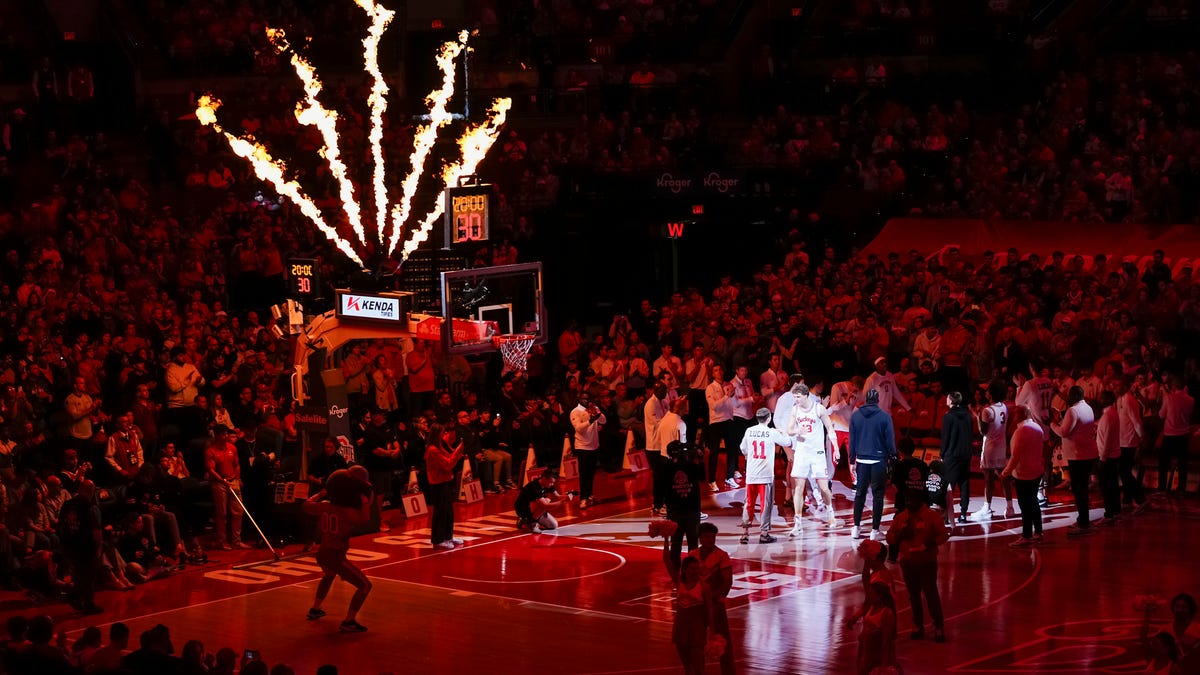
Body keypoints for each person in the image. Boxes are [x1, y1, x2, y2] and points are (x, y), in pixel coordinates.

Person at [302, 468, 373, 633]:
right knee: (365, 586)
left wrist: (321, 494)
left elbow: (306, 505)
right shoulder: (347, 512)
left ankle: (315, 609)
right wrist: (363, 498)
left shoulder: (325, 506)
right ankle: (349, 621)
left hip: (322, 553)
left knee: (329, 575)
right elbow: (365, 518)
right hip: (335, 555)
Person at [886, 486, 949, 642]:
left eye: (911, 500)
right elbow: (889, 538)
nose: (908, 503)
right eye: (906, 500)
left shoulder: (931, 516)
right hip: (907, 562)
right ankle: (917, 625)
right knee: (913, 595)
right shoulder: (901, 517)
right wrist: (900, 535)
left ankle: (938, 627)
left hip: (926, 562)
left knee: (931, 594)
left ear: (919, 500)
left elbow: (943, 535)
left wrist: (929, 543)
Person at [786, 383, 840, 536]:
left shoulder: (818, 408)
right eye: (794, 397)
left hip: (817, 453)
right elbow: (790, 430)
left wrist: (835, 447)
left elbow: (830, 428)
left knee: (823, 487)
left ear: (806, 395)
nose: (795, 399)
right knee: (798, 487)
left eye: (798, 397)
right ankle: (798, 523)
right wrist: (797, 430)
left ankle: (830, 512)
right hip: (802, 452)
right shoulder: (795, 410)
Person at [1051, 386, 1099, 536]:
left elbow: (1064, 432)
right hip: (1088, 453)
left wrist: (1052, 424)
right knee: (1082, 489)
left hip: (1077, 455)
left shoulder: (1073, 410)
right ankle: (1082, 519)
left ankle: (1084, 523)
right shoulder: (1088, 408)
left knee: (1079, 490)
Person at [688, 522, 735, 675]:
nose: (711, 540)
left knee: (722, 640)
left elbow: (727, 581)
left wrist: (720, 598)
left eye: (713, 537)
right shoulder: (692, 555)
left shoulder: (722, 556)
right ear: (700, 538)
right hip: (697, 605)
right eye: (707, 537)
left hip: (715, 605)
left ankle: (728, 672)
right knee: (696, 642)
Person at [850, 390, 897, 541]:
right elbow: (890, 439)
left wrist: (851, 460)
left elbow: (852, 440)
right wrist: (893, 455)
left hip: (861, 461)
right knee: (878, 496)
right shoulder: (885, 417)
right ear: (877, 400)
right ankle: (874, 531)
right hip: (878, 460)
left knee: (860, 494)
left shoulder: (855, 415)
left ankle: (856, 528)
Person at [738, 407, 790, 544]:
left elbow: (743, 448)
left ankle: (745, 533)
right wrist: (782, 432)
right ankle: (764, 533)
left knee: (749, 502)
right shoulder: (771, 432)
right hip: (766, 476)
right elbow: (788, 442)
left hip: (751, 474)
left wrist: (749, 457)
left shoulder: (749, 431)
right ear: (769, 418)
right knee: (765, 504)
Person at [661, 545, 712, 675]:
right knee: (687, 666)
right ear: (684, 570)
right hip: (681, 625)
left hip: (697, 626)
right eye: (691, 569)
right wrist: (667, 539)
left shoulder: (704, 586)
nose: (694, 572)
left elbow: (709, 610)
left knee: (698, 664)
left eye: (697, 569)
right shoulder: (679, 582)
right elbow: (667, 560)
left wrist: (713, 632)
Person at [1001, 406, 1047, 547]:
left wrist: (1005, 472)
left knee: (1025, 505)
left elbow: (1015, 457)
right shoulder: (1038, 428)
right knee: (1033, 502)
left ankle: (1026, 535)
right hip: (1037, 471)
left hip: (1023, 474)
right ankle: (1038, 532)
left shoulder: (1020, 432)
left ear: (1017, 416)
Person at [58, 480, 103, 615]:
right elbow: (96, 530)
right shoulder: (90, 507)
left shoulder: (67, 505)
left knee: (78, 573)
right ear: (91, 491)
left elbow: (61, 525)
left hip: (71, 545)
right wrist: (98, 548)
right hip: (86, 546)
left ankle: (76, 598)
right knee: (88, 576)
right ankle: (88, 604)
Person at [972, 381, 1013, 521]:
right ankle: (1010, 507)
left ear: (992, 393)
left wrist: (978, 417)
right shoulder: (1004, 407)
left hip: (990, 447)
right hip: (1001, 445)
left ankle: (987, 508)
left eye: (988, 390)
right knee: (1004, 477)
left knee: (988, 480)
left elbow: (983, 431)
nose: (986, 392)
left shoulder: (987, 410)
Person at [844, 573, 898, 675]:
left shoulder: (886, 613)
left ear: (879, 595)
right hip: (865, 649)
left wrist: (884, 665)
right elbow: (863, 609)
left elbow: (886, 641)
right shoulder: (871, 607)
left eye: (872, 593)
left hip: (876, 652)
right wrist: (853, 619)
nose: (869, 596)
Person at [205, 426, 248, 550]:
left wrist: (237, 479)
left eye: (227, 434)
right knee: (222, 513)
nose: (226, 437)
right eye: (223, 434)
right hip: (219, 483)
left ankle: (236, 540)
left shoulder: (232, 448)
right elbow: (211, 470)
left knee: (238, 511)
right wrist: (223, 481)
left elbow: (237, 465)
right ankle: (222, 541)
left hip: (233, 480)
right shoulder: (211, 451)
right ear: (217, 435)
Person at [663, 441, 704, 569]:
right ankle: (693, 570)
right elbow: (702, 477)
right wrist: (700, 459)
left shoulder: (665, 467)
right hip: (692, 510)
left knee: (676, 543)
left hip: (675, 511)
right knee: (692, 543)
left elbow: (661, 488)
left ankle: (676, 571)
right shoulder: (691, 466)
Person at [424, 424, 464, 549]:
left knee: (448, 511)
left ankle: (448, 536)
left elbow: (449, 457)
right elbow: (447, 464)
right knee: (440, 512)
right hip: (438, 484)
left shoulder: (439, 446)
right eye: (443, 433)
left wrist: (455, 452)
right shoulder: (432, 450)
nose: (444, 435)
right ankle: (438, 539)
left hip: (445, 481)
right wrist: (457, 453)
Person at [1158, 376, 1194, 495]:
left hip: (1170, 435)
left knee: (1163, 463)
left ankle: (1162, 488)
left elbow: (1161, 415)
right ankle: (1181, 489)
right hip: (1183, 435)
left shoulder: (1169, 398)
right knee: (1182, 464)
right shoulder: (1190, 399)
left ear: (1173, 386)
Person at [570, 393, 606, 508]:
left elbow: (604, 421)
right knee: (584, 474)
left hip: (594, 445)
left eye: (587, 398)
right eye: (584, 398)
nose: (586, 400)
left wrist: (597, 413)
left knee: (591, 473)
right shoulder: (575, 412)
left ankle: (590, 495)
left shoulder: (593, 408)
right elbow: (579, 428)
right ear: (579, 399)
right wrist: (591, 420)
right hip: (582, 446)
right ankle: (583, 498)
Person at [514, 468, 574, 533]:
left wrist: (568, 497)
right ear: (544, 479)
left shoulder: (549, 484)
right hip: (523, 508)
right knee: (546, 500)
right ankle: (531, 524)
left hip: (534, 508)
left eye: (553, 482)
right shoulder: (535, 487)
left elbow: (558, 496)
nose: (552, 484)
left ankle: (523, 521)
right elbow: (545, 506)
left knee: (553, 525)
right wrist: (562, 502)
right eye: (551, 482)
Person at [1095, 390, 1123, 526]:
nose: (1100, 399)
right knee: (1113, 486)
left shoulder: (1108, 416)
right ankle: (1116, 511)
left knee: (1107, 487)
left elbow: (1106, 440)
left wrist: (1102, 458)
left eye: (1102, 397)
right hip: (1113, 455)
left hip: (1107, 457)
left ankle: (1109, 514)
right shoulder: (1112, 414)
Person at [644, 383, 671, 515]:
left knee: (664, 475)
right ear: (656, 390)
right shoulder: (650, 404)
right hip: (653, 446)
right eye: (663, 390)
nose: (665, 392)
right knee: (659, 476)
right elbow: (659, 423)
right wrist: (672, 420)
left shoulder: (663, 402)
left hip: (662, 445)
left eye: (666, 389)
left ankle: (661, 502)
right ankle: (657, 504)